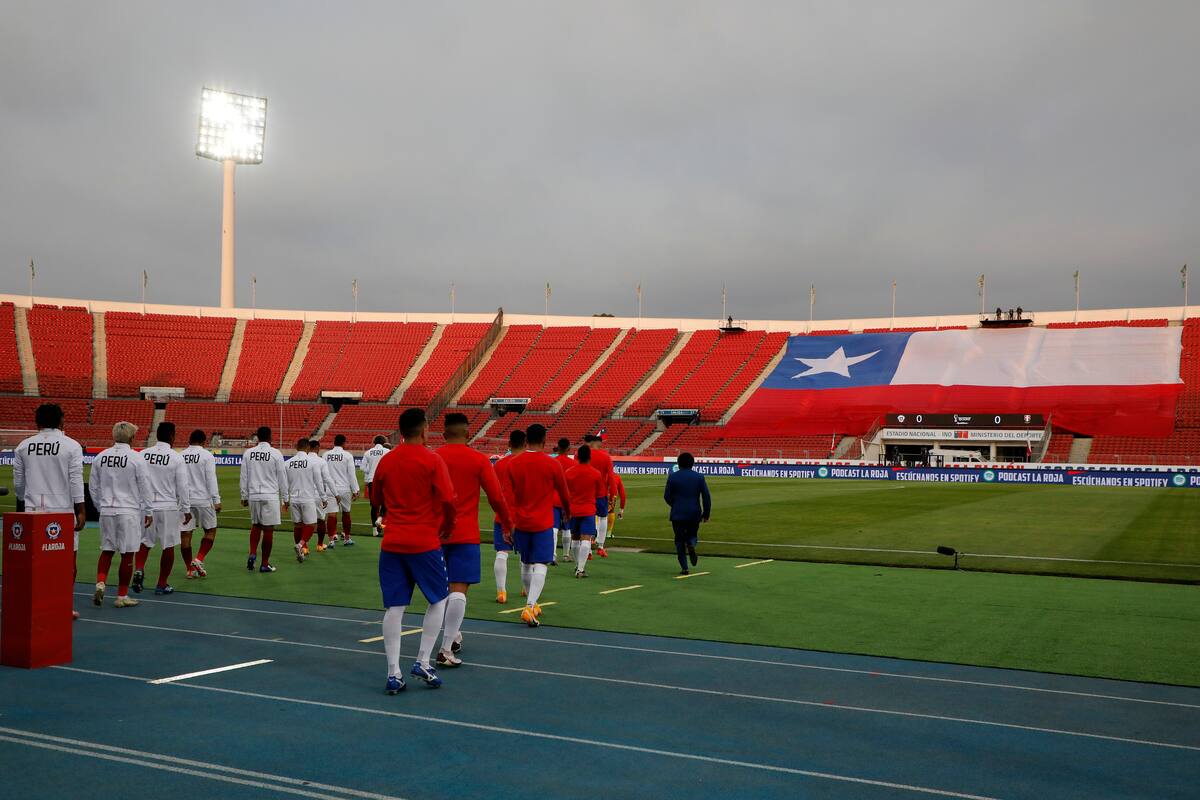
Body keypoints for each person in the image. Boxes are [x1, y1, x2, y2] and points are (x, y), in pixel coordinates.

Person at [371, 408, 457, 693]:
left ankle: (393, 672)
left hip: (393, 541)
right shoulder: (432, 459)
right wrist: (447, 525)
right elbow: (448, 499)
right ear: (425, 430)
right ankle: (423, 660)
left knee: (395, 607)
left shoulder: (387, 460)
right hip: (423, 541)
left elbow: (376, 498)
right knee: (439, 599)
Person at [435, 412, 512, 667]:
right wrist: (507, 524)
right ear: (468, 434)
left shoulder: (433, 457)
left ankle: (453, 634)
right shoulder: (478, 460)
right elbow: (496, 497)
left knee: (440, 589)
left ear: (444, 434)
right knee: (459, 589)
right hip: (465, 532)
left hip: (433, 532)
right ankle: (446, 647)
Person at [13, 403, 86, 619]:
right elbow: (75, 480)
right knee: (66, 562)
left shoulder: (23, 446)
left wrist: (24, 498)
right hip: (62, 509)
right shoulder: (71, 446)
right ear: (61, 420)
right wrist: (80, 508)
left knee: (34, 560)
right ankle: (63, 606)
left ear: (37, 422)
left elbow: (19, 483)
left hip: (33, 508)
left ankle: (35, 604)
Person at [501, 423, 571, 627]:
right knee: (541, 563)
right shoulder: (552, 464)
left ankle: (532, 603)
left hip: (521, 522)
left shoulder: (513, 463)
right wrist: (568, 511)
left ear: (525, 440)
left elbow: (508, 497)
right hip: (542, 522)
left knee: (525, 561)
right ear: (544, 441)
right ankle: (530, 605)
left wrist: (508, 525)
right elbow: (564, 493)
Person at [90, 421, 152, 608]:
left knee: (107, 550)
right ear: (132, 438)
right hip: (129, 511)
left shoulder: (101, 457)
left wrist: (101, 507)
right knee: (127, 554)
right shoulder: (136, 458)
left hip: (107, 510)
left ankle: (101, 582)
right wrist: (148, 510)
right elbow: (144, 486)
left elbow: (93, 487)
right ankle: (122, 596)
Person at [133, 422, 192, 595]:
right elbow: (183, 486)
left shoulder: (142, 454)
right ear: (172, 436)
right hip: (167, 506)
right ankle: (162, 583)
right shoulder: (176, 457)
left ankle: (139, 568)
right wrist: (186, 509)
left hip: (147, 506)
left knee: (144, 542)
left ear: (157, 435)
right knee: (169, 546)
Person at [240, 425, 287, 573]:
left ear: (257, 437)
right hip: (270, 495)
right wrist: (286, 498)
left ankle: (252, 553)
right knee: (268, 530)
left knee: (256, 525)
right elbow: (282, 477)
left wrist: (244, 495)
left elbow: (244, 476)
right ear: (270, 437)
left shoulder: (248, 453)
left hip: (253, 495)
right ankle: (264, 563)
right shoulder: (275, 453)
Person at [180, 429, 221, 579]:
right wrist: (216, 500)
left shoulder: (181, 455)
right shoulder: (207, 455)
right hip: (203, 500)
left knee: (186, 534)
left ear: (189, 440)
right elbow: (211, 479)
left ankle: (189, 570)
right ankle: (198, 559)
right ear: (204, 442)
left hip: (186, 501)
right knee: (210, 530)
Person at [491, 429, 525, 604]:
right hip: (523, 516)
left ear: (509, 444)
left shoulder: (499, 464)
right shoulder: (528, 463)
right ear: (525, 444)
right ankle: (526, 589)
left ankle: (501, 591)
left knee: (501, 553)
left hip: (503, 515)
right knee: (525, 556)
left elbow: (495, 491)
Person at [663, 452, 711, 575]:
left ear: (678, 464)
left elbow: (667, 496)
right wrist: (706, 514)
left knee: (679, 540)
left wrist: (675, 505)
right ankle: (691, 543)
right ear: (692, 463)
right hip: (694, 513)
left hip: (678, 514)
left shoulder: (673, 477)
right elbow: (706, 497)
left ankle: (685, 567)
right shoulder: (699, 477)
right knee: (693, 534)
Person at [565, 445, 605, 578]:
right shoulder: (596, 473)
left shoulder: (569, 472)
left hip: (573, 510)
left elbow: (565, 493)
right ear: (589, 457)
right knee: (586, 539)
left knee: (575, 539)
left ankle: (577, 565)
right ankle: (580, 569)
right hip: (588, 510)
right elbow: (600, 495)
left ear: (577, 457)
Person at [285, 438, 321, 562]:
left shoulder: (288, 463)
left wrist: (284, 500)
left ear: (296, 447)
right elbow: (318, 481)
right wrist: (323, 497)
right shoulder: (312, 462)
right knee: (311, 524)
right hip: (307, 497)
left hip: (294, 498)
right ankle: (300, 545)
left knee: (298, 525)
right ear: (308, 448)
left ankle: (300, 553)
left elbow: (284, 484)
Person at [323, 433, 360, 545]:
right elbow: (351, 474)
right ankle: (347, 538)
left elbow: (323, 474)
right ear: (344, 443)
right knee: (346, 513)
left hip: (330, 488)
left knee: (331, 514)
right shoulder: (347, 455)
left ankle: (330, 541)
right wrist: (355, 490)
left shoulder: (325, 455)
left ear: (334, 442)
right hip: (344, 488)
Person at [583, 433, 616, 558]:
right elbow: (611, 477)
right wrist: (613, 494)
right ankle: (601, 546)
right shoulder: (605, 456)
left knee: (589, 517)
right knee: (603, 518)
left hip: (586, 492)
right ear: (598, 443)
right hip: (601, 492)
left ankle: (589, 548)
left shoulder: (581, 454)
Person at [362, 435, 390, 536]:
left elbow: (362, 467)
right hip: (383, 480)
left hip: (371, 480)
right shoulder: (387, 451)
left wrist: (371, 472)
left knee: (374, 505)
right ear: (383, 442)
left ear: (374, 442)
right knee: (386, 501)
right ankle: (380, 517)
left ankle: (374, 530)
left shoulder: (368, 452)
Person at [551, 437, 574, 562]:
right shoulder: (572, 464)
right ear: (569, 449)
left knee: (554, 528)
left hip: (553, 499)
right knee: (567, 528)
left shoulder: (553, 462)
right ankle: (566, 554)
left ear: (558, 448)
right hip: (567, 500)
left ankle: (553, 555)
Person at [607, 471, 627, 538]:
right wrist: (621, 510)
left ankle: (595, 534)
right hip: (612, 496)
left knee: (597, 514)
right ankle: (608, 533)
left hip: (600, 495)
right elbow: (623, 495)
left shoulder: (599, 474)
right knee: (610, 512)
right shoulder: (617, 477)